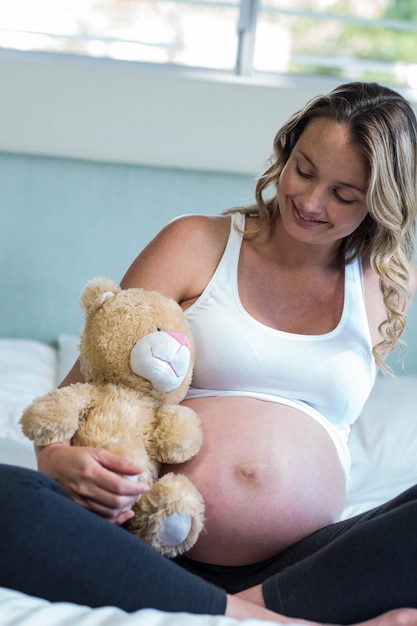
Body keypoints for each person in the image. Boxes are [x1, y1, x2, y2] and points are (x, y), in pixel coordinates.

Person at [1, 81, 417, 625]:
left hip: (298, 570)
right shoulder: (196, 242)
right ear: (286, 152)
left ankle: (246, 612)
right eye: (305, 170)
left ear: (382, 204)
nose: (311, 202)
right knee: (8, 493)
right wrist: (56, 459)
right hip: (137, 541)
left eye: (344, 195)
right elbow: (85, 387)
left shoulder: (385, 287)